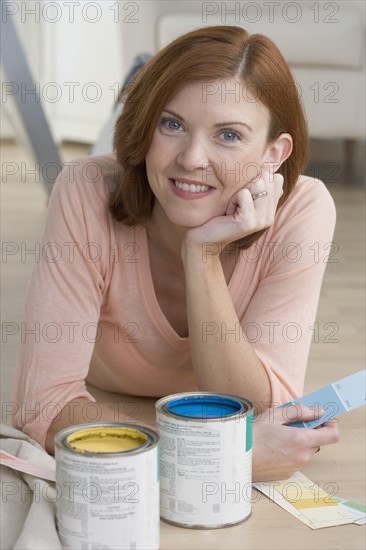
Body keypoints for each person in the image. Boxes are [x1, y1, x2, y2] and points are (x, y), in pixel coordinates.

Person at [12, 26, 339, 481]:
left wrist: (202, 255)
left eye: (228, 134)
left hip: (122, 419)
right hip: (111, 394)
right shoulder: (85, 189)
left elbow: (261, 409)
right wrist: (220, 457)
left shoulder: (304, 207)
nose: (191, 158)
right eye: (172, 124)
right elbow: (41, 407)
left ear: (273, 154)